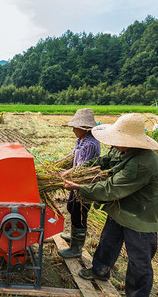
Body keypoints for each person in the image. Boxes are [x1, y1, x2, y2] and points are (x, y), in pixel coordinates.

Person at [63, 113, 158, 297]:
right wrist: (80, 170)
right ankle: (99, 271)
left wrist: (80, 187)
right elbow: (103, 161)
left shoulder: (143, 163)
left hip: (139, 217)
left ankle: (137, 294)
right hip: (119, 209)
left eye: (118, 139)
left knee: (138, 261)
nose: (114, 143)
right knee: (108, 242)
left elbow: (110, 189)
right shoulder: (121, 149)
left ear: (132, 141)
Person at [58, 108, 101, 259]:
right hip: (75, 181)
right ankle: (74, 236)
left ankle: (76, 248)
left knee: (79, 213)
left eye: (76, 128)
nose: (73, 130)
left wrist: (65, 173)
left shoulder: (90, 144)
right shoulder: (81, 140)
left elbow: (82, 167)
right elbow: (73, 155)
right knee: (71, 207)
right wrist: (59, 163)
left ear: (85, 128)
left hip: (83, 184)